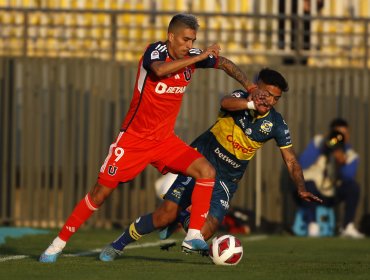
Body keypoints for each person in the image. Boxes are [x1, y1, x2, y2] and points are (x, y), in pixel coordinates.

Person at [39, 13, 265, 263]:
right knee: (99, 194)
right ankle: (56, 245)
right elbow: (158, 71)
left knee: (206, 171)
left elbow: (223, 63)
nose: (189, 45)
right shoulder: (155, 52)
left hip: (164, 141)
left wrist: (251, 87)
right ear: (170, 37)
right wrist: (200, 56)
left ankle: (191, 236)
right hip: (133, 141)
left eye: (193, 41)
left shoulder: (191, 57)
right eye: (185, 40)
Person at [98, 68, 322, 261]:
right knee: (163, 216)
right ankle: (119, 243)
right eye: (267, 94)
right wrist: (251, 102)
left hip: (226, 179)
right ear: (256, 87)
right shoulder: (239, 99)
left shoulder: (276, 124)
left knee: (206, 231)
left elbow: (291, 159)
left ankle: (181, 218)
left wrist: (301, 187)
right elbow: (225, 102)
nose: (270, 101)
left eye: (275, 98)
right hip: (199, 162)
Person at [297, 118, 364, 238]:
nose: (339, 138)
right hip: (313, 190)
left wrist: (341, 163)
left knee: (354, 187)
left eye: (343, 134)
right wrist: (323, 146)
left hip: (333, 193)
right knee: (308, 183)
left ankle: (347, 226)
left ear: (348, 136)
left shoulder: (350, 154)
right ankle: (313, 225)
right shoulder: (318, 143)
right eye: (336, 134)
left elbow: (348, 177)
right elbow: (302, 163)